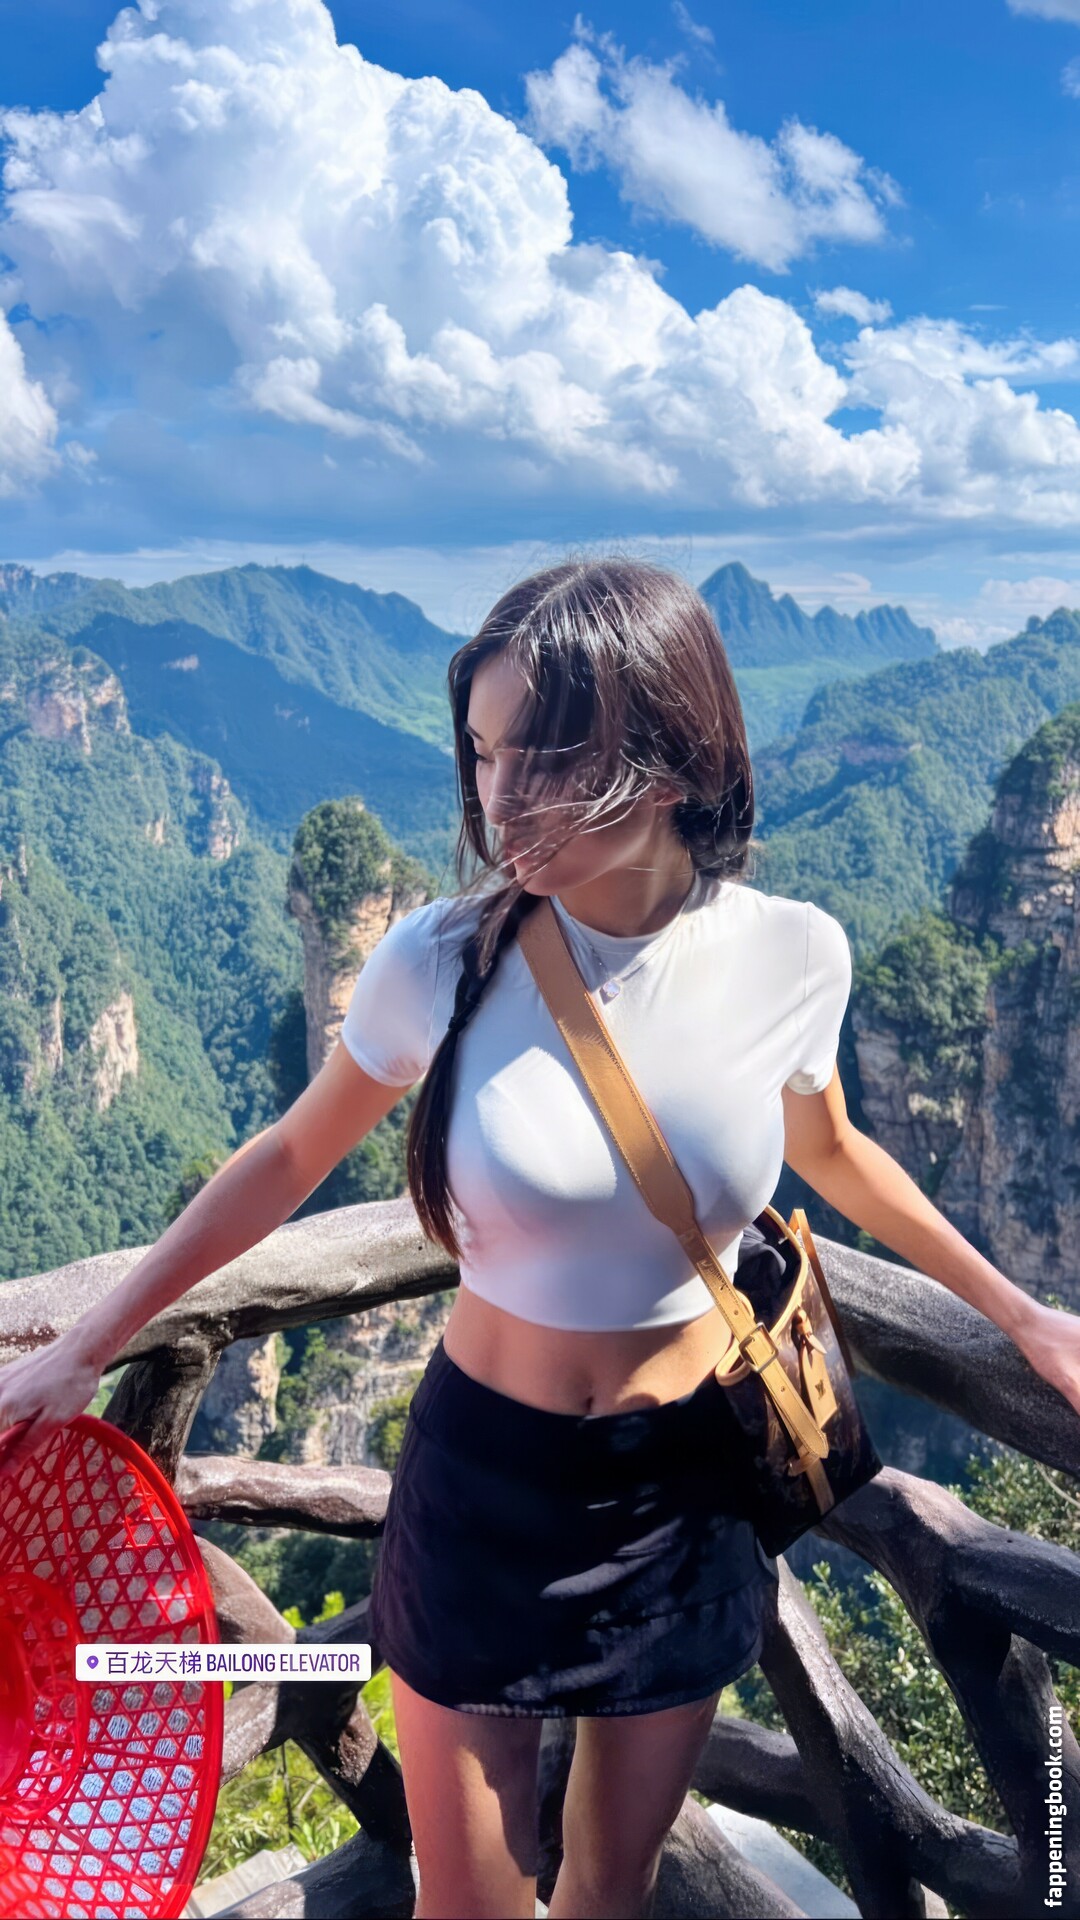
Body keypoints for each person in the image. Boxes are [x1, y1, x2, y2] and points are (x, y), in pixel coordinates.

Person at [1, 557, 1077, 1920]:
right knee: (468, 1903)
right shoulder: (441, 958)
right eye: (483, 753)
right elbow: (285, 1158)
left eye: (549, 758)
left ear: (676, 756)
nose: (500, 800)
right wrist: (92, 1342)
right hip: (482, 1482)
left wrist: (1023, 1315)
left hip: (683, 1490)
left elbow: (830, 1151)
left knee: (611, 1889)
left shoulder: (796, 954)